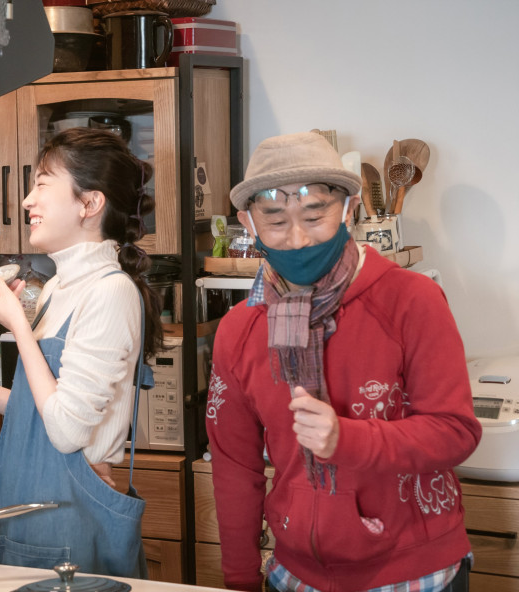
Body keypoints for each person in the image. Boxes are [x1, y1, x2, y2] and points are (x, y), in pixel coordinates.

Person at [205, 132, 482, 592]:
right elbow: (235, 467)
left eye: (315, 215)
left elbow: (455, 431)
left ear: (349, 208)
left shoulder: (411, 301)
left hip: (417, 573)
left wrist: (346, 439)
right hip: (294, 575)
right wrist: (239, 578)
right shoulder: (239, 330)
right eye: (275, 220)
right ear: (248, 223)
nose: (297, 239)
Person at [0, 128, 163, 577]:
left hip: (71, 519)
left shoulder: (110, 292)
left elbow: (67, 433)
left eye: (42, 185)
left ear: (90, 204)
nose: (27, 201)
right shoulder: (55, 288)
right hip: (28, 510)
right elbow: (45, 409)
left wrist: (18, 327)